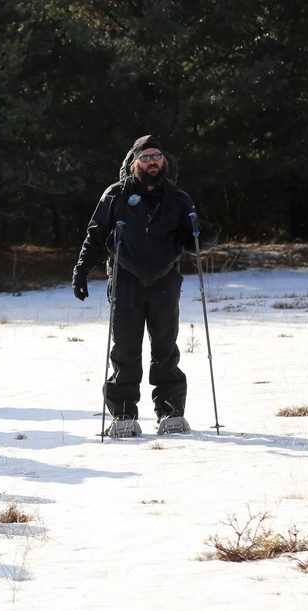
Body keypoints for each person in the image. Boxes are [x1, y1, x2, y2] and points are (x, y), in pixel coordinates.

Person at [72, 135, 220, 435]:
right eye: (145, 157)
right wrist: (81, 271)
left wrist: (208, 237)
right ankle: (123, 415)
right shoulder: (116, 195)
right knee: (125, 350)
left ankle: (171, 412)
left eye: (157, 156)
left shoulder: (178, 198)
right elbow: (96, 236)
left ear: (164, 160)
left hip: (165, 280)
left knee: (165, 348)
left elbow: (190, 242)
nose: (152, 162)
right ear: (134, 162)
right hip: (125, 280)